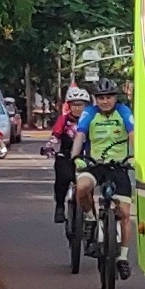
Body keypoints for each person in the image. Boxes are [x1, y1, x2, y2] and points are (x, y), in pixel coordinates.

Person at [73, 81, 134, 279]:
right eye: (101, 98)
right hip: (95, 164)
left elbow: (132, 134)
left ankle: (123, 258)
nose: (105, 101)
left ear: (115, 98)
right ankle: (90, 218)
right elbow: (80, 135)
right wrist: (76, 157)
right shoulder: (90, 113)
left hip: (118, 166)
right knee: (81, 187)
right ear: (95, 100)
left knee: (124, 214)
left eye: (109, 97)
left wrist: (137, 156)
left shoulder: (123, 111)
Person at [50, 85, 89, 223]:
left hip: (87, 156)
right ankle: (60, 206)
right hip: (66, 156)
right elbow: (56, 135)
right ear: (69, 106)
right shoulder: (64, 119)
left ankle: (90, 214)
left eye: (81, 105)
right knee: (62, 179)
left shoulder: (91, 119)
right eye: (74, 105)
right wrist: (50, 146)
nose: (78, 109)